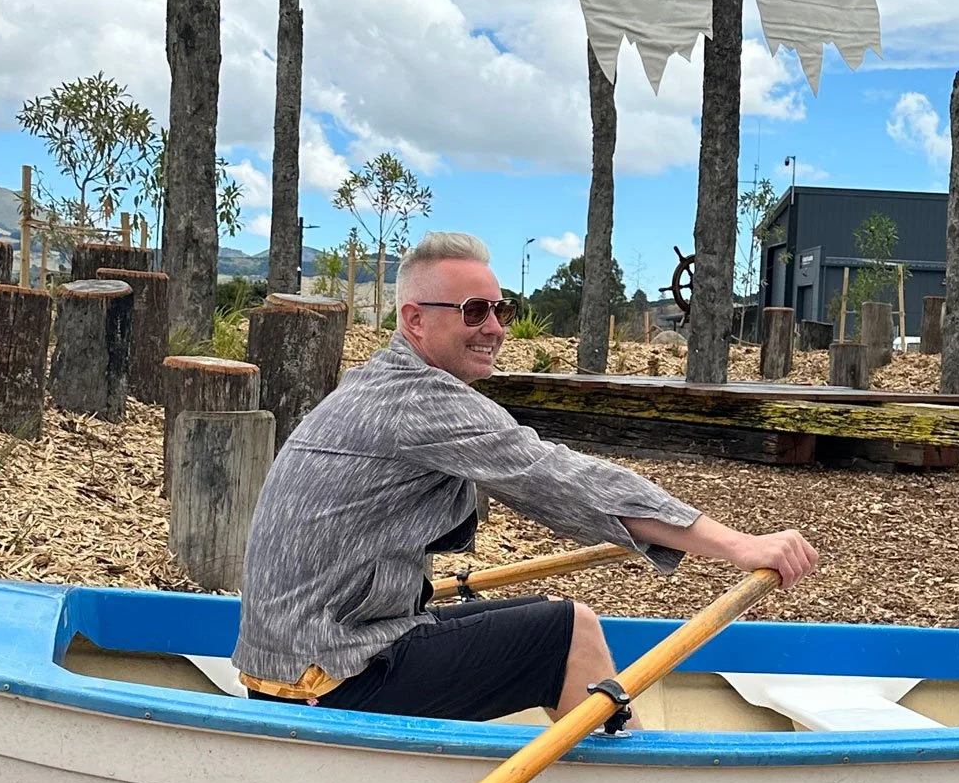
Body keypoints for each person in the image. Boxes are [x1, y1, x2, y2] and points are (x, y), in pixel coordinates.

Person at [234, 231, 818, 719]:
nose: (495, 327)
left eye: (500, 309)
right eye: (474, 311)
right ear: (414, 320)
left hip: (299, 654)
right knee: (570, 633)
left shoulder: (377, 383)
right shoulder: (420, 400)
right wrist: (737, 544)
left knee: (546, 619)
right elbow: (557, 476)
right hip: (329, 674)